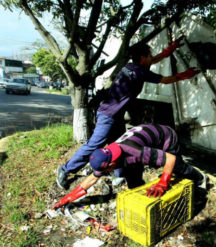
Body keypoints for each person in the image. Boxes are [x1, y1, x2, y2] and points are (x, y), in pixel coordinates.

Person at [57, 37, 200, 190]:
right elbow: (165, 80)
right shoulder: (139, 72)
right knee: (94, 144)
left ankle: (119, 176)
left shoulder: (131, 66)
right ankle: (65, 170)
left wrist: (169, 50)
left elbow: (153, 60)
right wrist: (185, 75)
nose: (151, 58)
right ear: (143, 58)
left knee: (117, 144)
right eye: (149, 55)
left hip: (115, 114)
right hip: (108, 115)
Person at [52, 124, 207, 209]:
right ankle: (142, 199)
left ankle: (200, 179)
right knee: (131, 176)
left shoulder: (135, 152)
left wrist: (163, 182)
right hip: (143, 139)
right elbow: (92, 179)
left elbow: (170, 159)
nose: (105, 172)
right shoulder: (110, 154)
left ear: (111, 164)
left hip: (166, 136)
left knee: (178, 167)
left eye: (106, 169)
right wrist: (68, 198)